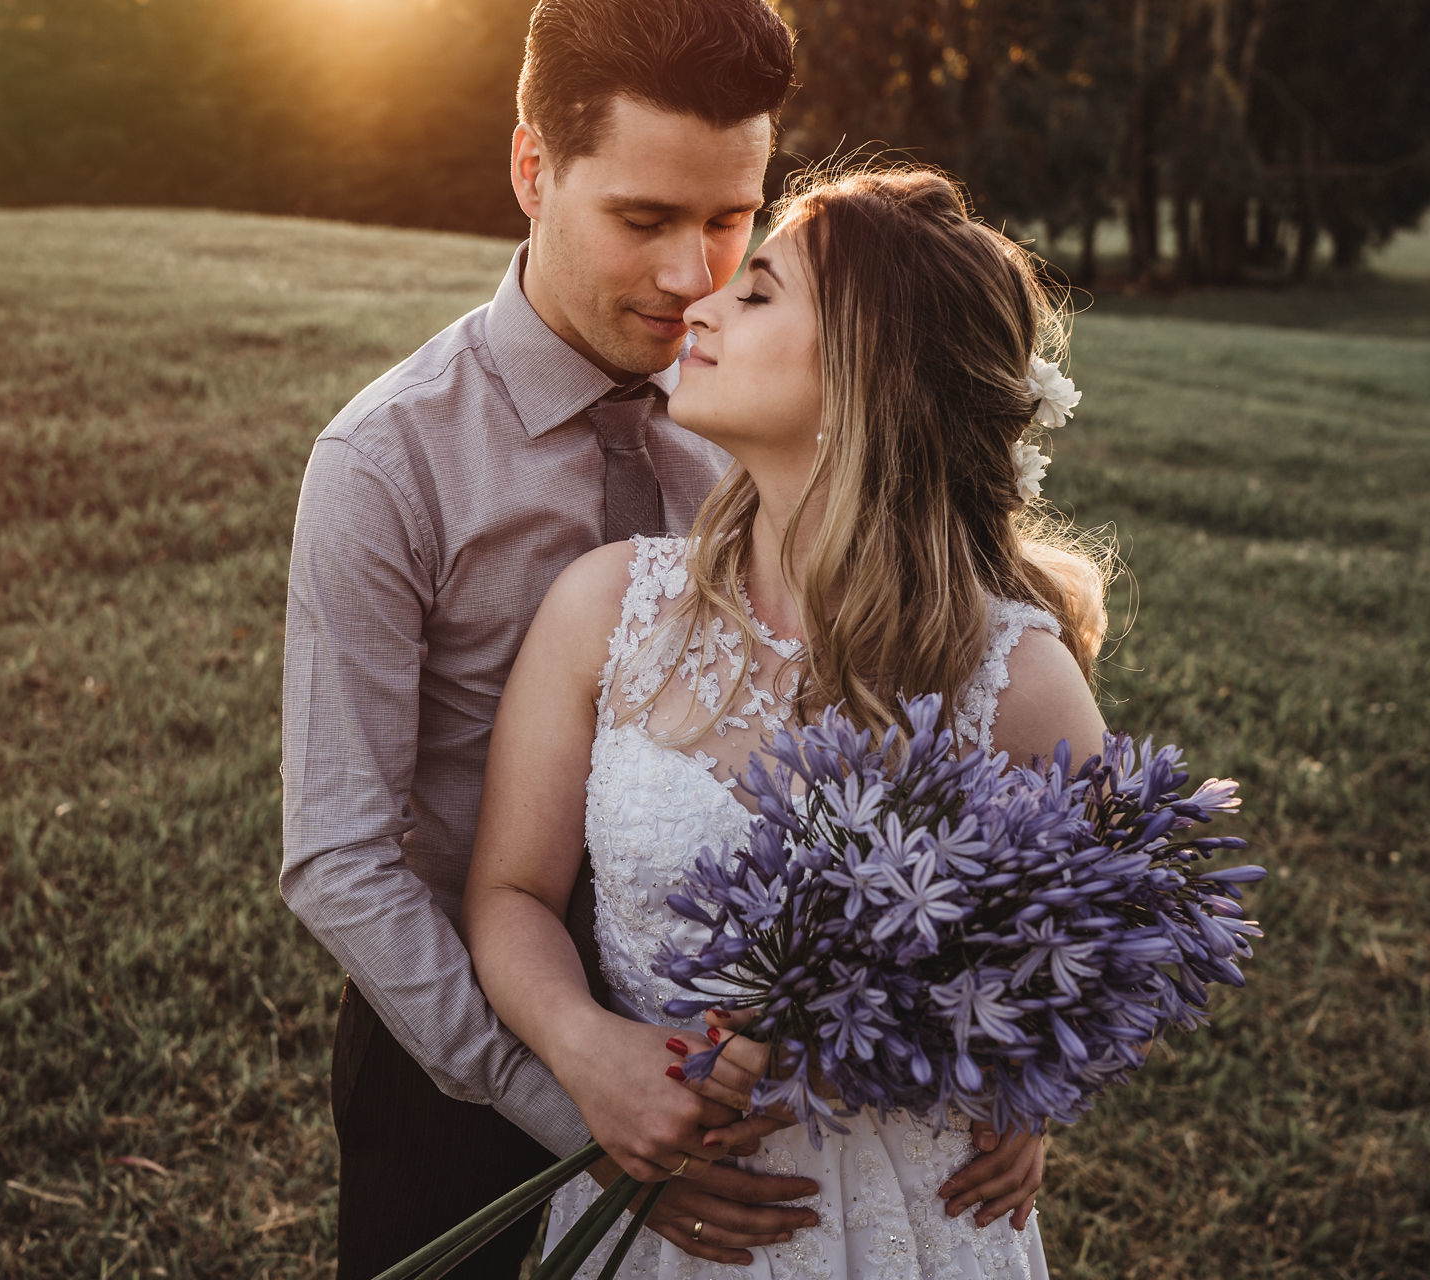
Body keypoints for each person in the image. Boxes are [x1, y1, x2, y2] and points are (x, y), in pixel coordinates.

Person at [281, 0, 1049, 1274]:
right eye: (642, 220)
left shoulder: (773, 404)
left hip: (768, 1063)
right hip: (456, 1041)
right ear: (534, 169)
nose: (692, 275)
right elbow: (338, 858)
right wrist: (569, 1084)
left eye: (732, 222)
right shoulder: (388, 461)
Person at [460, 162, 1110, 1277]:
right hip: (661, 1212)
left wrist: (1032, 1089)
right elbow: (510, 891)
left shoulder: (1017, 680)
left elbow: (1090, 949)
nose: (700, 301)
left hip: (909, 1221)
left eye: (756, 292)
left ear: (870, 374)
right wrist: (586, 1049)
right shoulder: (607, 608)